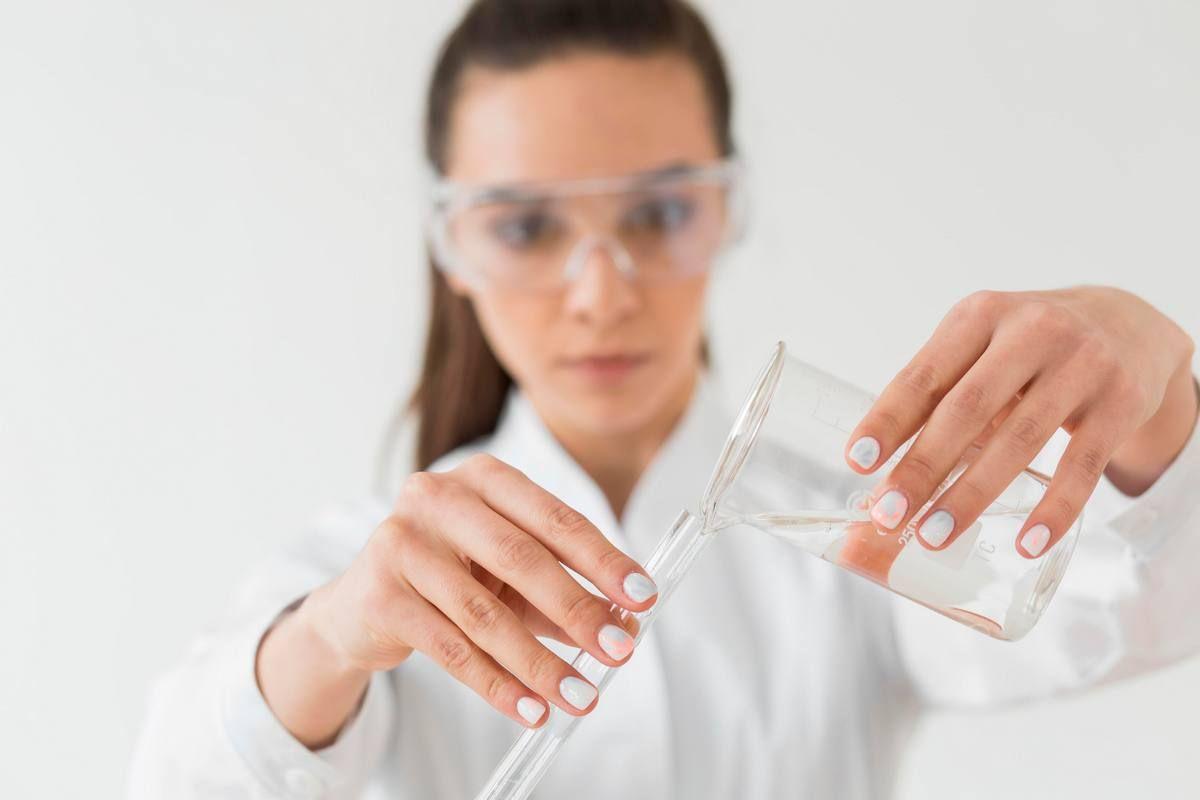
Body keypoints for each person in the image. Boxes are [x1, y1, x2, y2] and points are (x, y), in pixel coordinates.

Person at [128, 1, 1200, 798]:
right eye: (524, 225)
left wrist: (1160, 402)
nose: (602, 292)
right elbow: (178, 773)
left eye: (657, 212)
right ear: (451, 244)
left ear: (725, 208)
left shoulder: (849, 528)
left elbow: (1142, 605)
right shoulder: (358, 572)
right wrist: (328, 642)